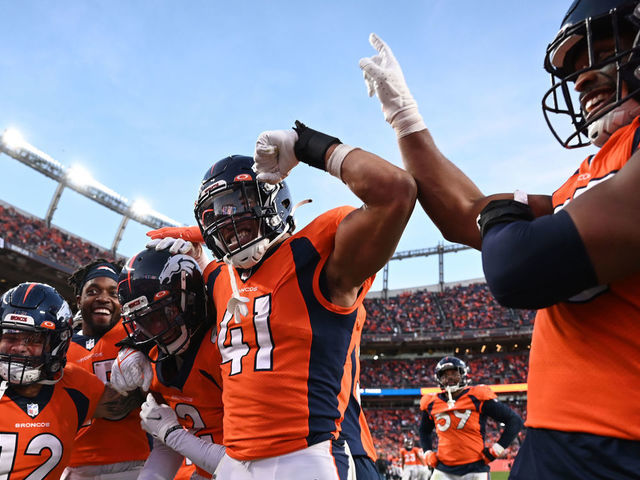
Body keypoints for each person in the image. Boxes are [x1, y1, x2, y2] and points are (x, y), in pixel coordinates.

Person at [359, 0, 640, 476]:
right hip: (561, 442)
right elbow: (467, 214)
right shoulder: (593, 172)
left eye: (604, 52)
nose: (581, 80)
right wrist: (404, 118)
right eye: (573, 71)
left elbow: (516, 267)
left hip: (616, 447)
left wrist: (506, 224)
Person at [146, 120, 417, 479]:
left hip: (305, 456)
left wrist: (310, 146)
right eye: (214, 216)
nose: (226, 225)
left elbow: (395, 192)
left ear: (273, 199)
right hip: (234, 461)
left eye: (235, 206)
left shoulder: (314, 253)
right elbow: (161, 316)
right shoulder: (219, 277)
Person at [0, 282, 136, 479]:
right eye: (11, 337)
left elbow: (127, 400)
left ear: (57, 343)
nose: (19, 348)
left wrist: (146, 360)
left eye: (34, 339)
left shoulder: (77, 385)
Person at [111, 248, 225, 480]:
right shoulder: (153, 362)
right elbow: (165, 444)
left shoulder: (224, 349)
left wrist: (173, 434)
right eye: (143, 321)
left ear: (190, 299)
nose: (155, 331)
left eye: (163, 313)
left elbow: (252, 463)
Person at [62, 259, 150, 480]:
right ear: (78, 299)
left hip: (136, 464)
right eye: (93, 291)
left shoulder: (137, 330)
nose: (103, 298)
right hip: (74, 467)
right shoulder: (60, 346)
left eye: (113, 293)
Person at [418, 356, 522, 479]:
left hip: (475, 468)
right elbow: (424, 431)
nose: (449, 377)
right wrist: (427, 452)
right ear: (438, 379)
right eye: (444, 375)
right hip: (444, 469)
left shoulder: (476, 396)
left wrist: (496, 449)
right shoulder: (431, 402)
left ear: (463, 374)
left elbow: (514, 421)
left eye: (454, 373)